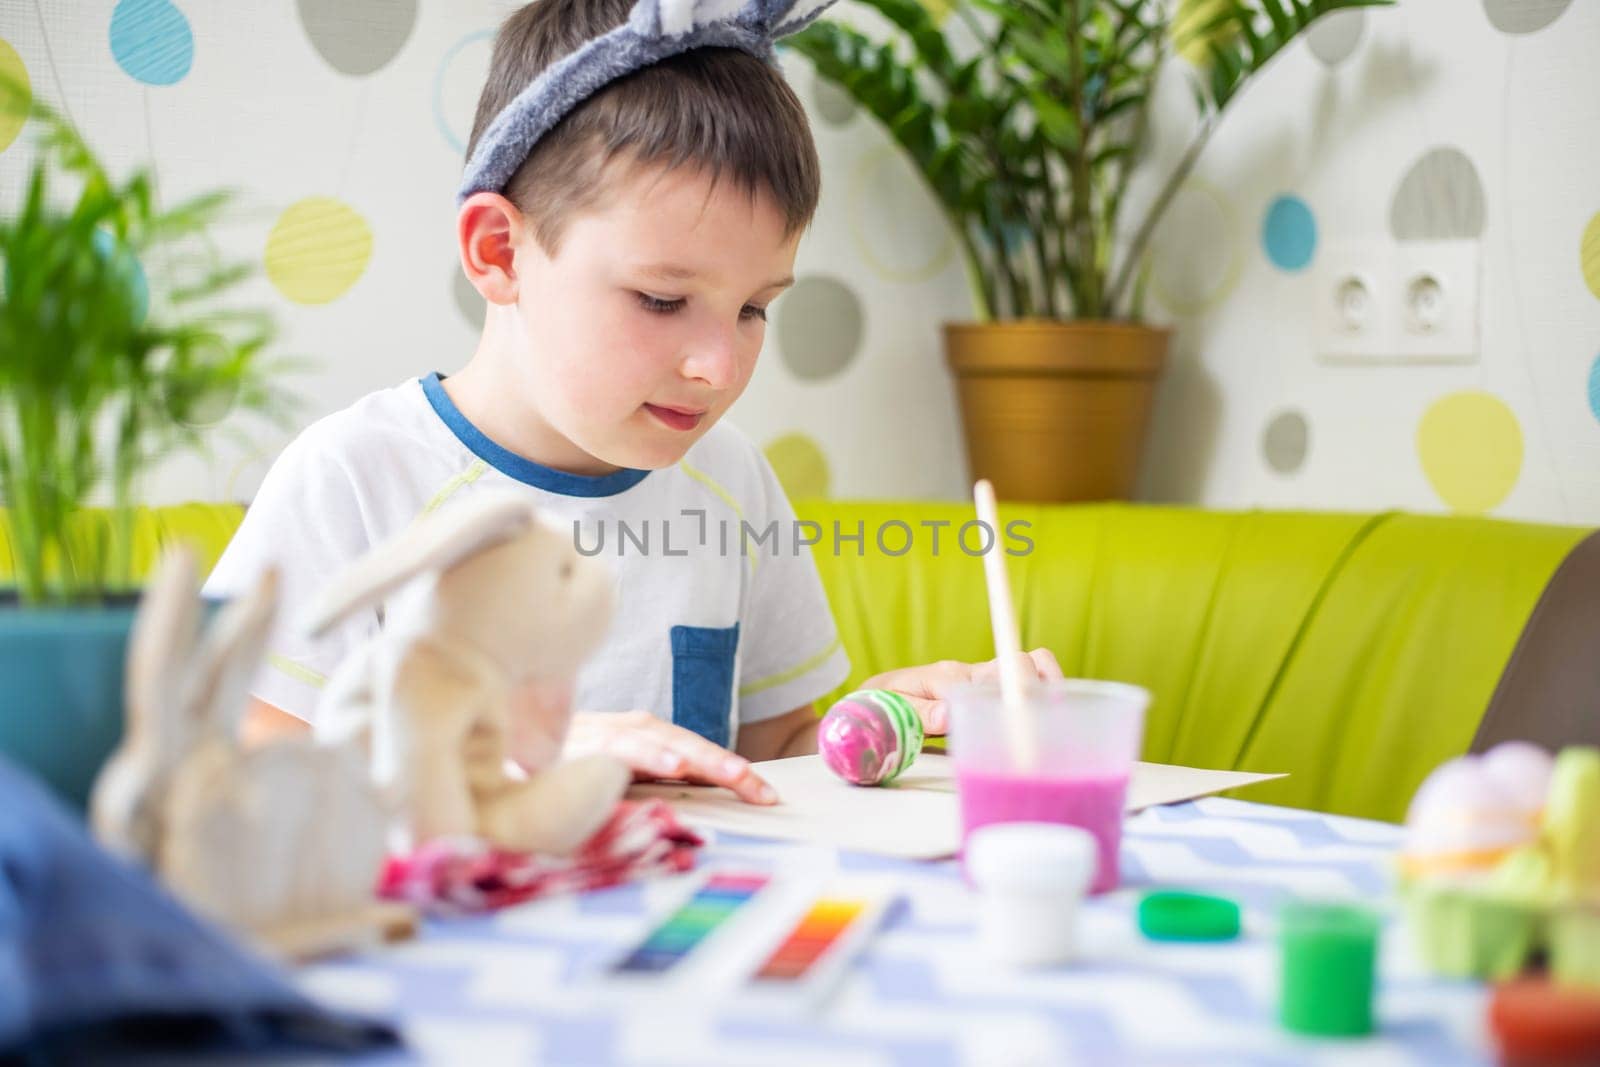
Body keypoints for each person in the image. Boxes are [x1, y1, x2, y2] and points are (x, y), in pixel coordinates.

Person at [204, 0, 1061, 805]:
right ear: (499, 249)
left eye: (755, 308)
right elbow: (231, 754)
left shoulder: (733, 484)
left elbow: (772, 755)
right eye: (660, 300)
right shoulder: (357, 479)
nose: (718, 366)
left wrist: (877, 722)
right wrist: (516, 764)